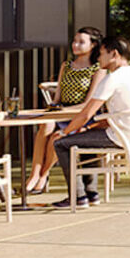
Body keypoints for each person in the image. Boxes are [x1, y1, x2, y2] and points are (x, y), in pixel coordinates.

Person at [46, 37, 130, 208]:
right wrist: (85, 128)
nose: (98, 58)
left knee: (61, 143)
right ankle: (91, 194)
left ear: (114, 54)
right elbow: (109, 116)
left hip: (121, 137)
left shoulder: (112, 79)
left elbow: (86, 113)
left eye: (102, 54)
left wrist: (64, 132)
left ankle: (77, 196)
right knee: (83, 137)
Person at [25, 28, 105, 196]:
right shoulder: (66, 65)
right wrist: (53, 108)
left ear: (93, 45)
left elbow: (87, 104)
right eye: (74, 41)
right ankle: (35, 174)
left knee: (57, 136)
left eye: (81, 42)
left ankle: (44, 175)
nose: (75, 45)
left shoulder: (98, 69)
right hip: (61, 111)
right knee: (45, 125)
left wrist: (63, 110)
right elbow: (57, 97)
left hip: (82, 116)